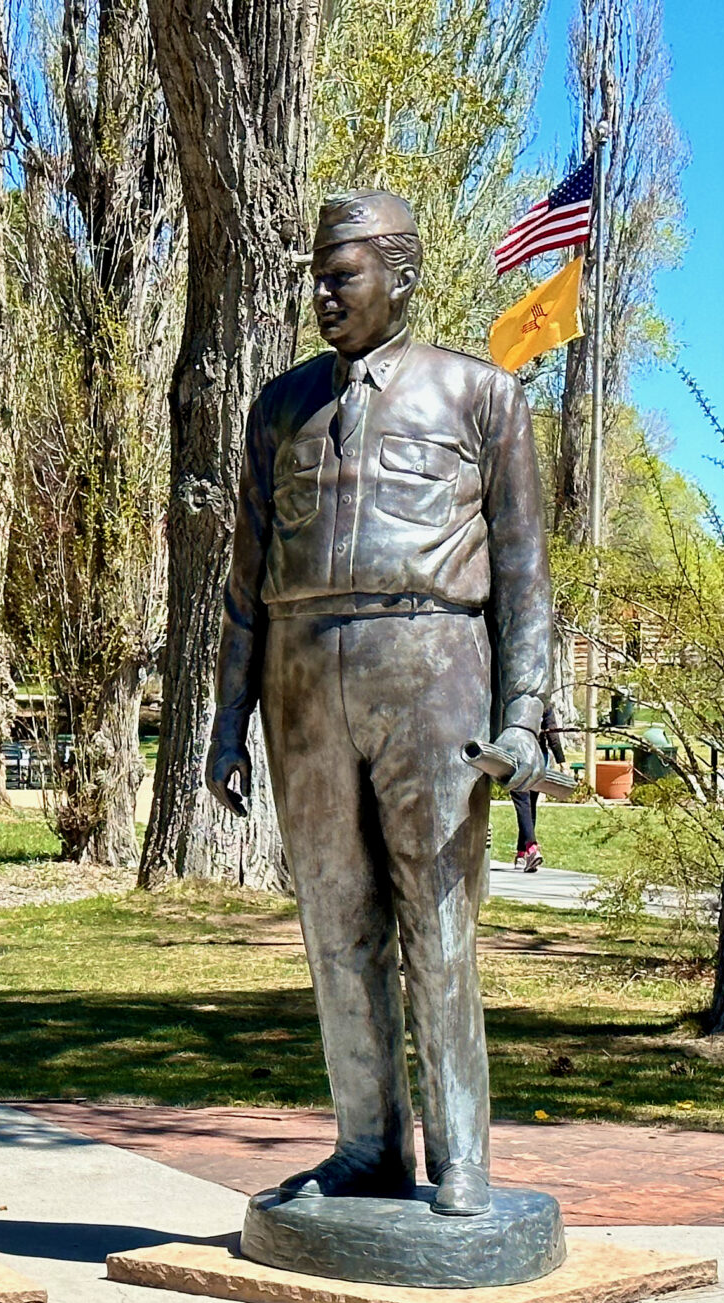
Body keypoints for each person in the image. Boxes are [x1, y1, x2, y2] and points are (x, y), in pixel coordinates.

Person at [204, 190, 557, 1218]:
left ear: (401, 276)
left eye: (341, 273)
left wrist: (524, 710)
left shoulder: (481, 397)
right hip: (301, 668)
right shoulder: (279, 407)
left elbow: (526, 572)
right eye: (315, 273)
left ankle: (460, 1156)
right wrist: (229, 722)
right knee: (333, 919)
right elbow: (241, 582)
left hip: (433, 663)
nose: (321, 291)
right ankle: (364, 1146)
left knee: (437, 919)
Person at [511, 703, 566, 872]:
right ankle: (522, 852)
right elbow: (552, 733)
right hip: (539, 758)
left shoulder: (515, 702)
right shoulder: (545, 704)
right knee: (529, 805)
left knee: (523, 802)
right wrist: (561, 760)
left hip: (518, 755)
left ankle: (531, 849)